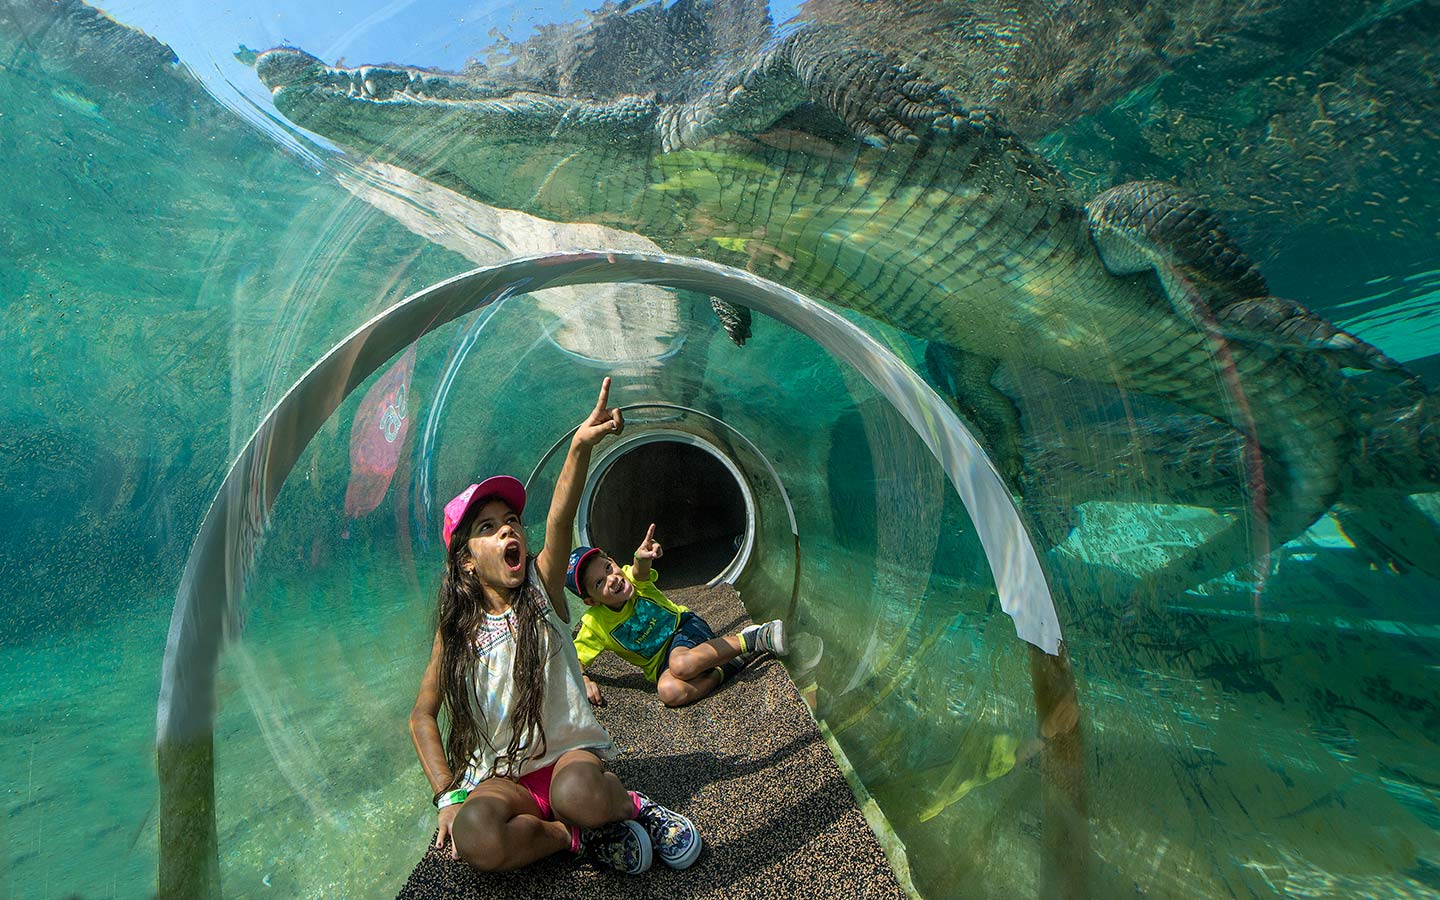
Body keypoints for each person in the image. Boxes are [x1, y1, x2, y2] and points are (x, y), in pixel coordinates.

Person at [409, 378, 702, 876]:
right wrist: (447, 796)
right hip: (505, 779)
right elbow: (421, 716)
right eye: (487, 528)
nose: (508, 529)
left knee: (580, 794)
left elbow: (561, 515)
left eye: (511, 521)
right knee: (475, 836)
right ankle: (573, 838)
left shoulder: (541, 591)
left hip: (568, 760)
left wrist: (579, 447)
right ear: (465, 564)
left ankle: (633, 807)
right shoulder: (455, 631)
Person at [567, 524, 788, 708]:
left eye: (608, 568)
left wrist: (642, 557)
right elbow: (573, 655)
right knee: (669, 693)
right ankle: (730, 665)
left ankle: (754, 638)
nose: (611, 579)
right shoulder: (594, 624)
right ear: (592, 601)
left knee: (681, 664)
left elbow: (639, 570)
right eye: (599, 583)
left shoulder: (633, 581)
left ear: (614, 562)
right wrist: (584, 679)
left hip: (684, 629)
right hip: (662, 665)